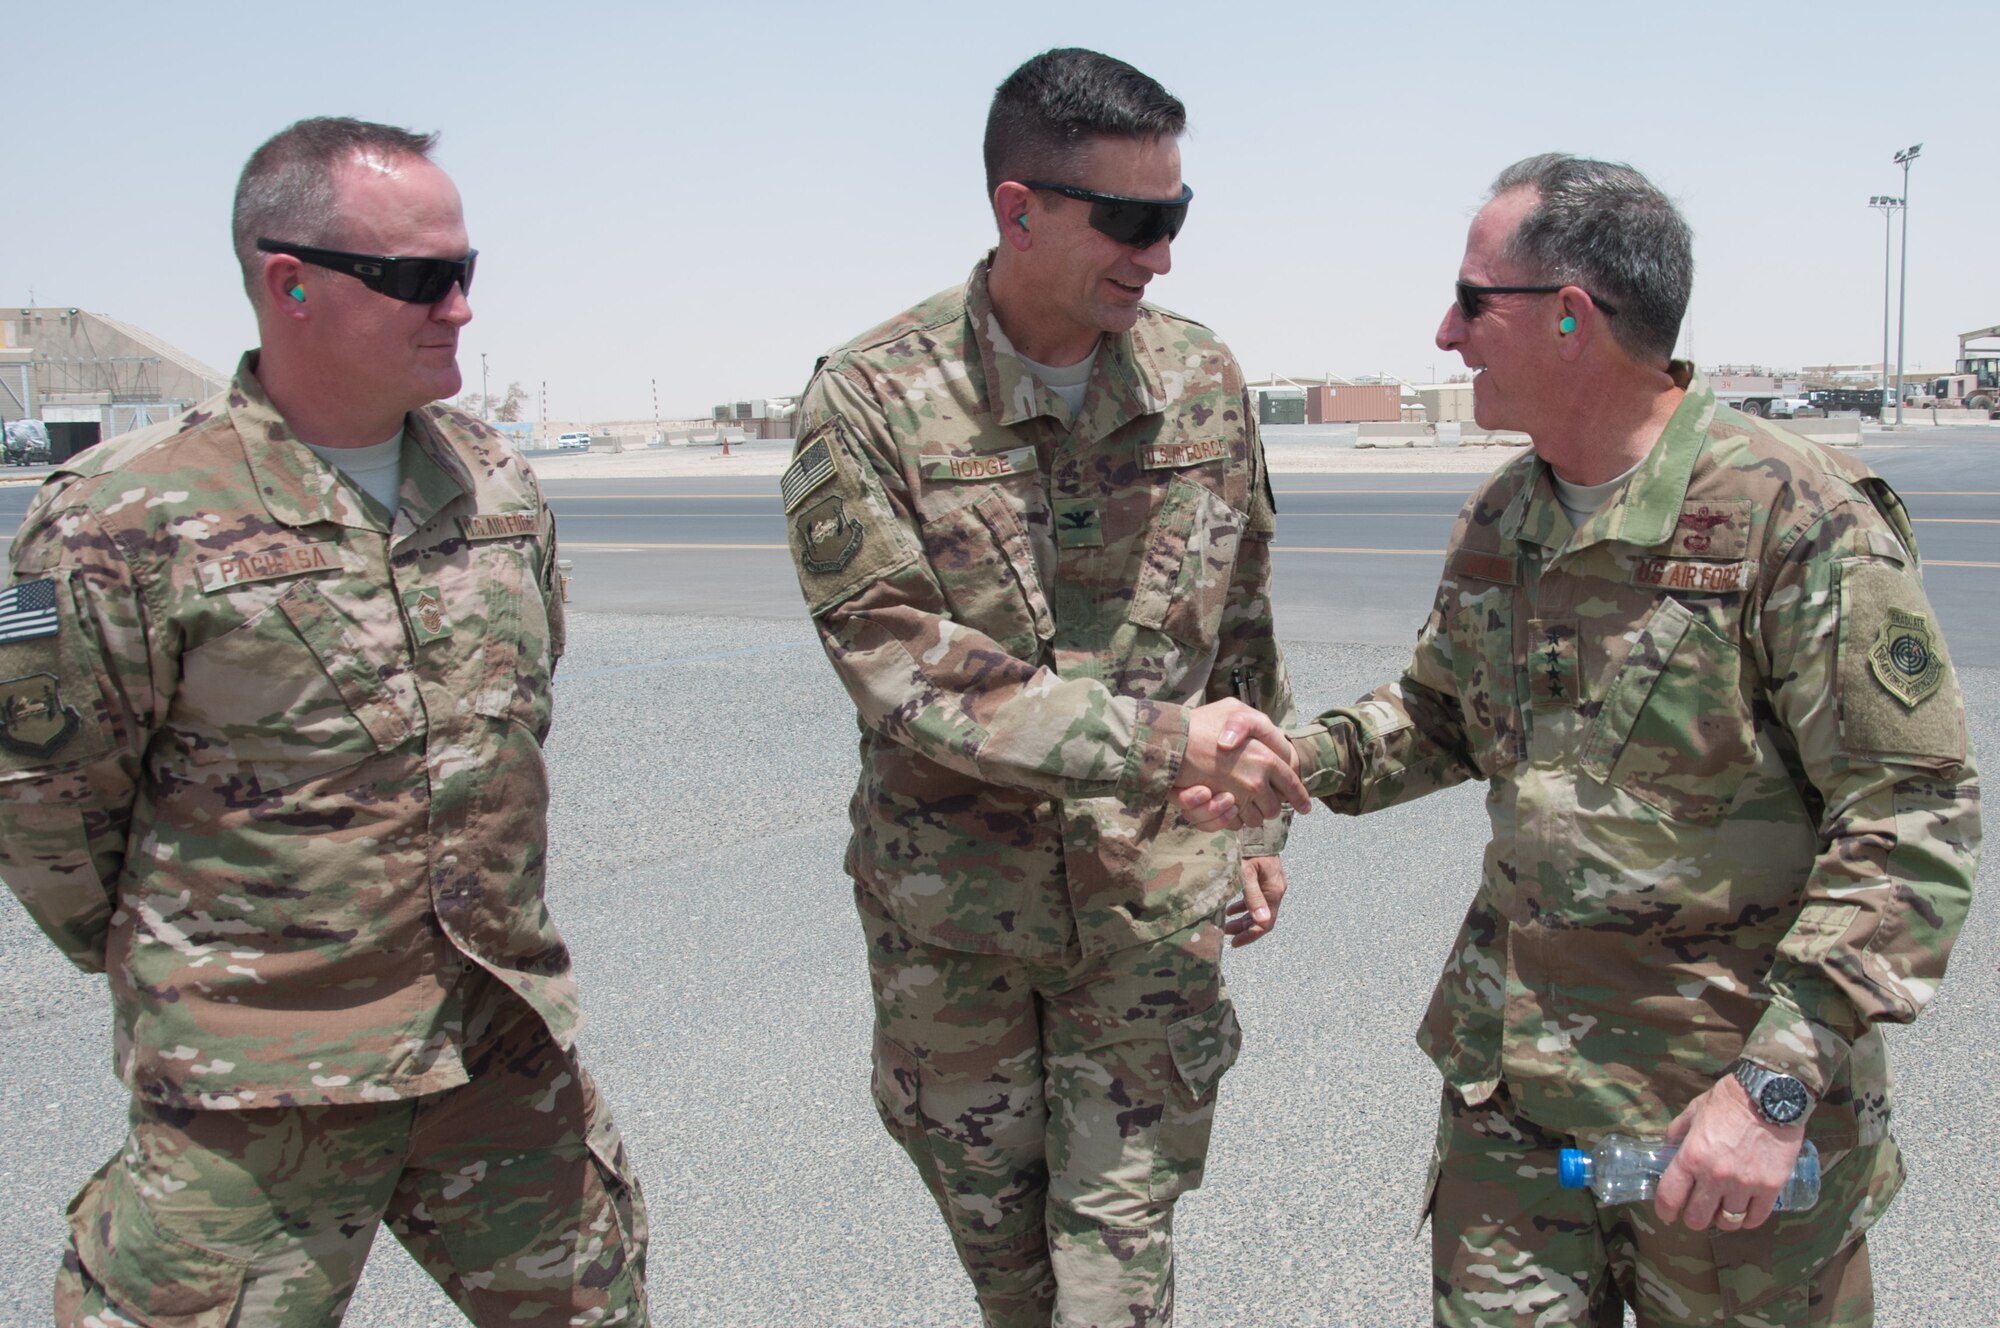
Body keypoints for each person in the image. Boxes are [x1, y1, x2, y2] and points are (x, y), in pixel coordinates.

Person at [1186, 153, 1981, 1326]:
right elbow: (1442, 713)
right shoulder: (1505, 510)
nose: (1444, 333)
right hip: (1516, 1116)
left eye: (1470, 300)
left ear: (1568, 318)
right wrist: (1286, 762)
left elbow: (1910, 821)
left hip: (1715, 1127)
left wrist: (1768, 1090)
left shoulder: (1792, 516)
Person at [0, 117, 646, 1325]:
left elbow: (512, 726)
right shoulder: (119, 516)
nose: (456, 306)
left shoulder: (494, 483)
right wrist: (200, 971)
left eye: (466, 272)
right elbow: (44, 805)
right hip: (260, 1089)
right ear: (287, 283)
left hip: (494, 1049)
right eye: (416, 278)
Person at [784, 48, 1309, 1328]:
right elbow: (906, 666)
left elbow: (1239, 621)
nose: (1160, 254)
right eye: (1129, 221)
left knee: (1111, 1269)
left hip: (1144, 908)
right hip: (955, 932)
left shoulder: (1200, 379)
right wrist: (1167, 739)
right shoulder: (872, 401)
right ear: (1017, 209)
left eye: (1174, 217)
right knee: (1011, 1274)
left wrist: (1253, 815)